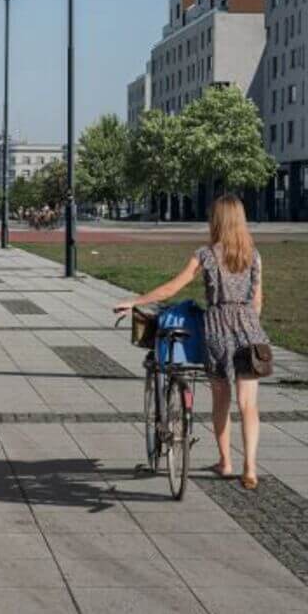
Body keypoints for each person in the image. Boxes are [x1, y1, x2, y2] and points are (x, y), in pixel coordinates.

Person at [114, 195, 270, 490]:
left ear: (217, 220)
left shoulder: (206, 254)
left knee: (221, 399)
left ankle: (226, 462)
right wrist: (249, 322)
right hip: (250, 330)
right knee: (249, 404)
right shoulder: (253, 254)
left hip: (217, 330)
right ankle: (250, 468)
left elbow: (173, 287)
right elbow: (258, 301)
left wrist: (136, 302)